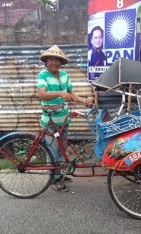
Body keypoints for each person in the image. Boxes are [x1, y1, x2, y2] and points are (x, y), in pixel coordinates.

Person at [37, 45, 93, 192]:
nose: (54, 62)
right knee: (53, 151)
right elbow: (41, 94)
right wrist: (60, 94)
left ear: (61, 62)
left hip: (64, 121)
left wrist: (84, 101)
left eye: (57, 60)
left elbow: (71, 93)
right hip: (51, 122)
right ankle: (54, 179)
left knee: (62, 150)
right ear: (46, 61)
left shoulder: (64, 75)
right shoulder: (43, 76)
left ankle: (59, 173)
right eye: (51, 59)